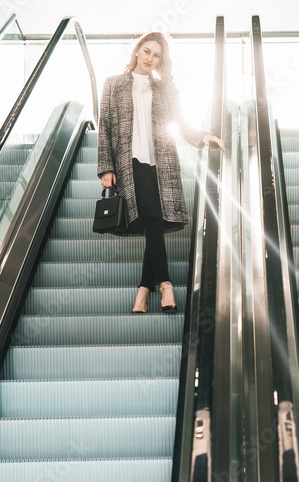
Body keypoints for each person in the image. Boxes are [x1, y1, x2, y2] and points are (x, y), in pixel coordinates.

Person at [97, 31, 223, 314]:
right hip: (130, 162)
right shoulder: (113, 84)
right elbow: (104, 127)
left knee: (153, 222)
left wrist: (203, 137)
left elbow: (182, 123)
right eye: (146, 51)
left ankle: (144, 290)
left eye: (156, 56)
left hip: (161, 163)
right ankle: (165, 285)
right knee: (154, 220)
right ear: (137, 50)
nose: (150, 59)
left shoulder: (163, 88)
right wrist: (106, 167)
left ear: (160, 61)